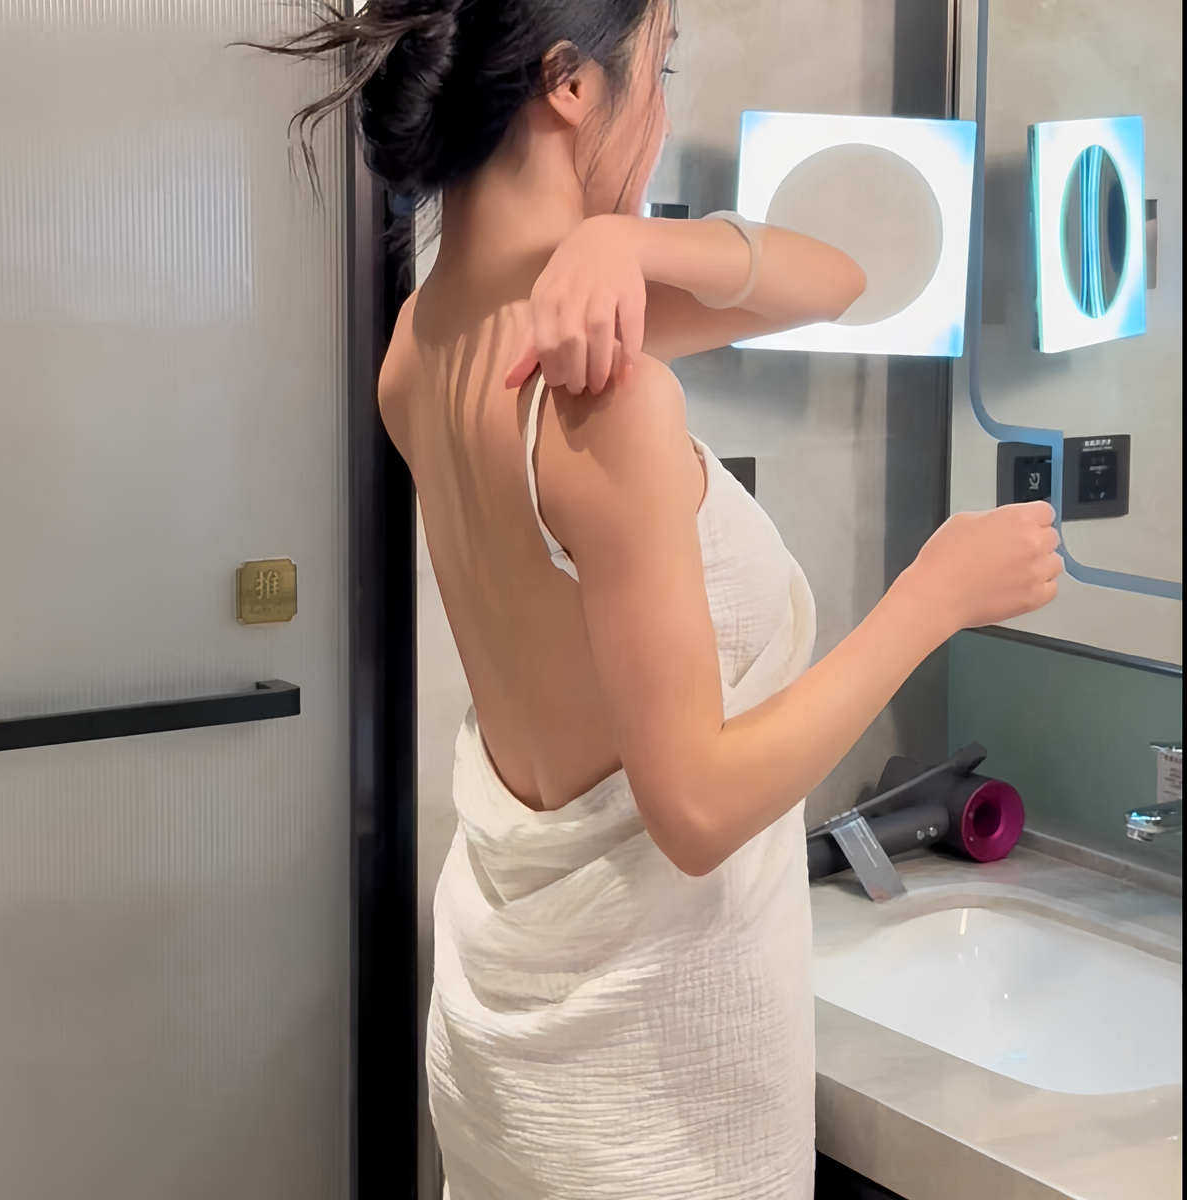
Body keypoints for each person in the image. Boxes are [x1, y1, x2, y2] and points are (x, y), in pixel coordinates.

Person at [244, 3, 1063, 1196]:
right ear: (571, 85)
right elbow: (695, 806)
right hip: (648, 1083)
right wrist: (931, 600)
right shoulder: (604, 405)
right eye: (660, 65)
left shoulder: (421, 345)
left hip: (509, 1034)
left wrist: (634, 245)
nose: (663, 108)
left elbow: (841, 281)